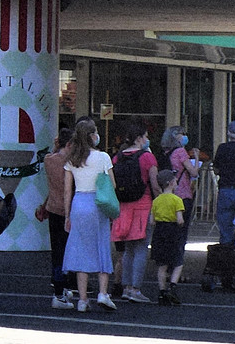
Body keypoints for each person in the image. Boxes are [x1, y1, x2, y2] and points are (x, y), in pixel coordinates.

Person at [62, 119, 116, 312]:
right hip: (97, 203)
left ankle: (82, 300)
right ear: (93, 135)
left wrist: (67, 215)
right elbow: (112, 184)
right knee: (101, 246)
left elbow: (67, 191)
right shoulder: (103, 157)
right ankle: (103, 293)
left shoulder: (72, 159)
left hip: (78, 203)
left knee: (81, 250)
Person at [109, 123, 159, 303]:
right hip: (142, 204)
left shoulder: (117, 158)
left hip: (123, 206)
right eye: (145, 137)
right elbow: (154, 184)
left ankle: (126, 287)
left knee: (128, 250)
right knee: (140, 249)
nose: (147, 140)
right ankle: (136, 289)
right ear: (139, 139)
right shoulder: (148, 157)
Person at [41, 126, 76, 310]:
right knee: (68, 252)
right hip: (69, 210)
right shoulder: (72, 164)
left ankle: (58, 287)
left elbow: (55, 154)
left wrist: (57, 147)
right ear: (69, 144)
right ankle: (62, 291)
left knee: (57, 251)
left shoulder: (49, 159)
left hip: (53, 207)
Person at [147, 172, 189, 305]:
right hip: (173, 232)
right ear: (171, 183)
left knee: (162, 265)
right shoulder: (177, 200)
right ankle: (173, 286)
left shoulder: (156, 200)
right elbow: (180, 220)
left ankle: (162, 292)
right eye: (176, 181)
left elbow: (152, 221)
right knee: (177, 262)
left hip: (159, 232)